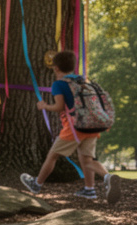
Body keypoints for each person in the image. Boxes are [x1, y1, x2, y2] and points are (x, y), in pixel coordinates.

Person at [20, 50, 122, 203]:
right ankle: (95, 185)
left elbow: (59, 107)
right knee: (87, 159)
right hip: (92, 125)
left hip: (74, 128)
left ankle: (37, 184)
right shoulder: (83, 81)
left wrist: (44, 106)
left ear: (56, 68)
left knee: (53, 155)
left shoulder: (59, 84)